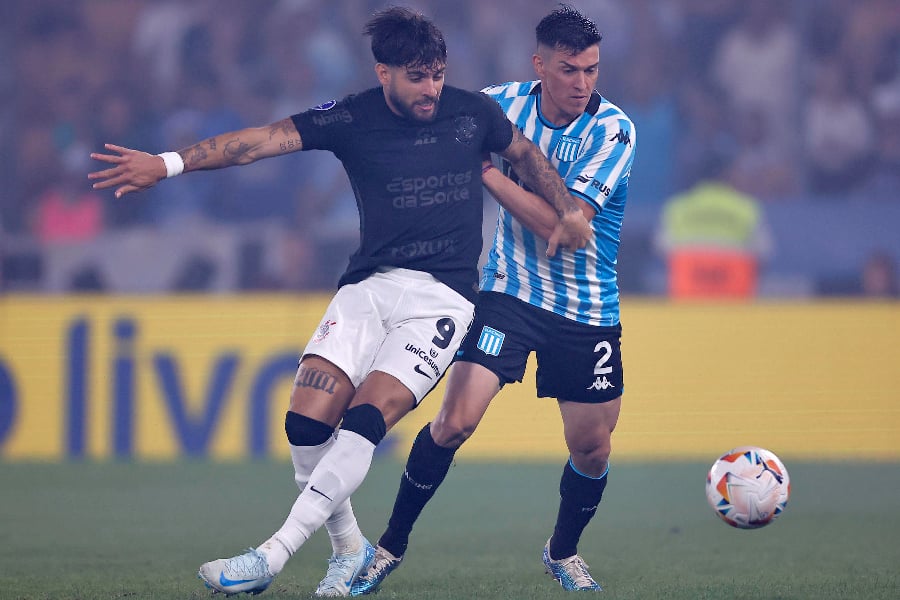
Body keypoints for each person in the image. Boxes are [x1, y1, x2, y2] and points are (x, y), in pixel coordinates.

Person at [88, 6, 591, 598]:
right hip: (366, 287)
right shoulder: (351, 117)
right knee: (304, 423)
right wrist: (167, 164)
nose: (430, 89)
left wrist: (569, 208)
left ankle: (271, 556)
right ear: (384, 73)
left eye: (436, 75)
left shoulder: (471, 113)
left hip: (443, 300)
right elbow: (258, 143)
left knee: (365, 421)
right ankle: (347, 548)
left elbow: (528, 154)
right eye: (415, 78)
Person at [352, 6, 635, 594]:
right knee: (454, 422)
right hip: (510, 293)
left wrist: (485, 172)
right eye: (569, 69)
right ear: (540, 65)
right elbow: (421, 122)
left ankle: (562, 552)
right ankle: (385, 549)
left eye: (591, 70)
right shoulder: (497, 104)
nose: (583, 83)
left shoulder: (614, 130)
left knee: (591, 448)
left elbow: (564, 223)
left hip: (588, 309)